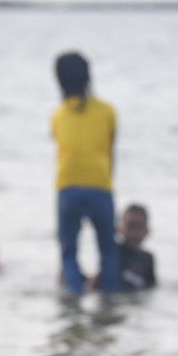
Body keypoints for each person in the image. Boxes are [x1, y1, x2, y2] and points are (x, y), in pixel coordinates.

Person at [51, 52, 120, 295]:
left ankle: (74, 302)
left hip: (68, 186)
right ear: (88, 77)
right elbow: (110, 150)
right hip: (101, 185)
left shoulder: (58, 115)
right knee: (108, 251)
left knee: (68, 253)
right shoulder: (108, 111)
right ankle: (111, 301)